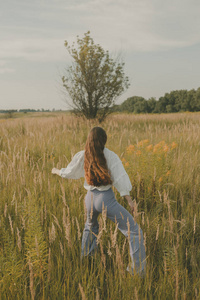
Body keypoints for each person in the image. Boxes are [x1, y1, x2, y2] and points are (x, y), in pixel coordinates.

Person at [52, 127, 146, 276]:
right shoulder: (110, 156)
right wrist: (129, 200)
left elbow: (69, 171)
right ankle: (137, 272)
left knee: (90, 228)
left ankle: (86, 264)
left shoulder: (83, 155)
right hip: (106, 200)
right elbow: (120, 178)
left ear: (89, 139)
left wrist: (57, 171)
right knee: (134, 232)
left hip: (89, 199)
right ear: (104, 140)